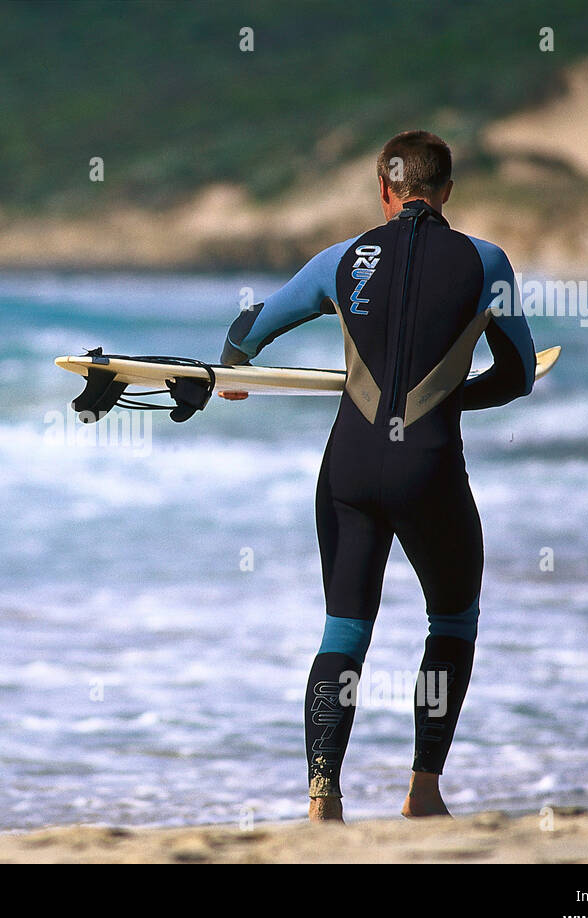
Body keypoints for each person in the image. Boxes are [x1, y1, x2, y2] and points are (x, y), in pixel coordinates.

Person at [218, 131, 535, 822]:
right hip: (430, 470)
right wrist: (453, 394)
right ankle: (422, 790)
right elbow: (516, 377)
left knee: (343, 631)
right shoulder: (488, 263)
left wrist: (232, 368)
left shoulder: (342, 260)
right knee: (451, 623)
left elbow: (252, 325)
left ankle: (322, 797)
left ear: (384, 192)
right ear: (446, 191)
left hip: (350, 469)